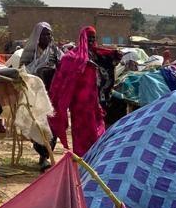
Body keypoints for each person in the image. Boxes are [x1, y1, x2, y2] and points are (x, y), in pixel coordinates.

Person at [47, 26, 110, 156]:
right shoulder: (72, 57)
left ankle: (94, 158)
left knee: (97, 130)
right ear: (82, 38)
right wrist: (84, 64)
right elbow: (64, 74)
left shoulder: (97, 55)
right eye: (89, 38)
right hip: (79, 104)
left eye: (93, 38)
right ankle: (82, 158)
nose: (91, 41)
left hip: (94, 102)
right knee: (82, 132)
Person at [19, 22, 63, 169]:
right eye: (44, 34)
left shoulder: (55, 52)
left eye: (49, 34)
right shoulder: (30, 52)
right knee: (38, 124)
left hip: (52, 94)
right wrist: (37, 69)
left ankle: (46, 155)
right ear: (37, 36)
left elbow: (64, 67)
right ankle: (43, 155)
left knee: (52, 125)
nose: (47, 37)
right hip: (35, 94)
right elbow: (22, 71)